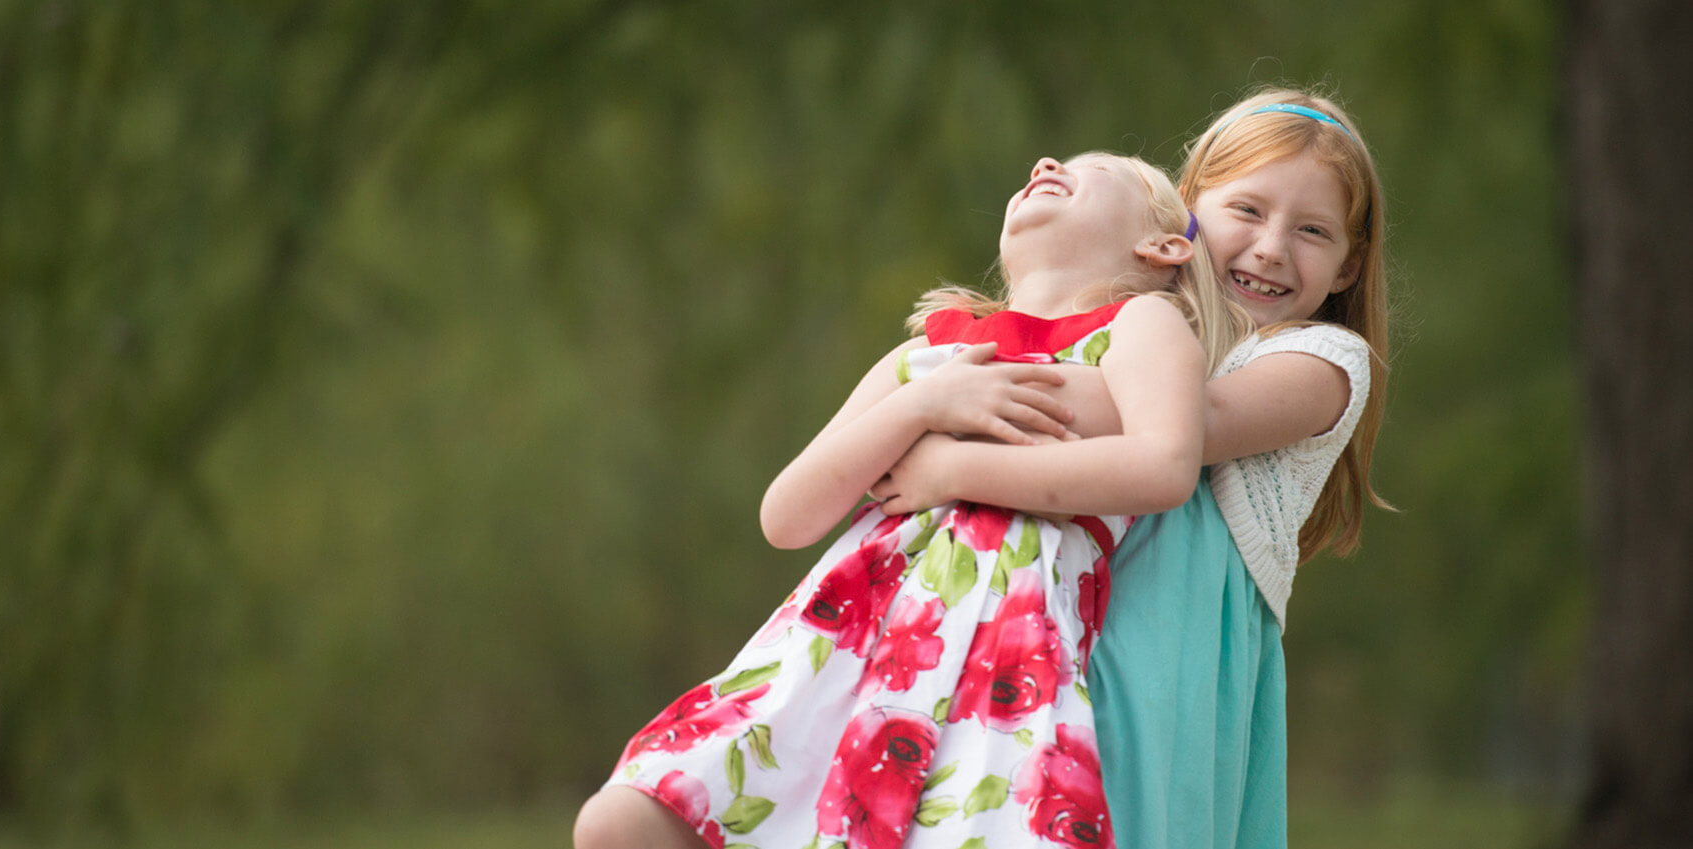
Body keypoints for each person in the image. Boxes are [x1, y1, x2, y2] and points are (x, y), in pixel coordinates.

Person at [572, 152, 1250, 849]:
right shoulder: (929, 353)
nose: (1046, 161)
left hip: (1002, 666)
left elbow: (1165, 465)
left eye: (1095, 166)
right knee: (624, 819)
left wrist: (953, 469)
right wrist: (924, 401)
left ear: (1163, 244)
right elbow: (787, 514)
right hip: (845, 648)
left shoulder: (1139, 325)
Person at [869, 87, 1392, 849]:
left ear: (1348, 267)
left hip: (1171, 654)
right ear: (1183, 217)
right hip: (1041, 614)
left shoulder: (1320, 360)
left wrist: (956, 405)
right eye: (1246, 210)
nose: (1272, 247)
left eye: (1312, 231)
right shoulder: (1124, 322)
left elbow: (1194, 422)